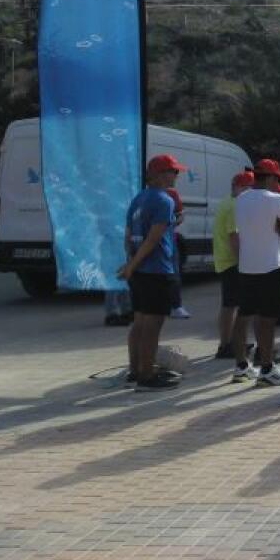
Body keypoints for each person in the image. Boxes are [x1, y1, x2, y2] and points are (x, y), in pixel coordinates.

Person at [117, 154, 185, 391]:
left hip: (139, 272)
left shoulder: (138, 199)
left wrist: (130, 265)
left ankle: (135, 370)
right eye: (172, 171)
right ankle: (147, 375)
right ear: (158, 174)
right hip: (156, 270)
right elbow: (153, 239)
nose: (176, 176)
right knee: (152, 324)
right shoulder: (164, 201)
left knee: (139, 321)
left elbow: (128, 236)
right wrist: (132, 266)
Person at [232, 158, 280, 386]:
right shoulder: (277, 199)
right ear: (269, 178)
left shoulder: (241, 199)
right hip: (271, 265)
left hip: (247, 266)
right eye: (277, 178)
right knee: (268, 319)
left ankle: (241, 366)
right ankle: (266, 368)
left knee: (243, 316)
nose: (278, 183)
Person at [212, 170, 254, 359]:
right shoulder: (235, 206)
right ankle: (227, 344)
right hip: (232, 261)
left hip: (225, 259)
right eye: (248, 188)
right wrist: (242, 263)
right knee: (232, 305)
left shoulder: (227, 202)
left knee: (230, 304)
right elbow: (234, 237)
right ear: (238, 187)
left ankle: (229, 341)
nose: (251, 192)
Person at [166, 187, 191, 319]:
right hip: (151, 241)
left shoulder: (172, 193)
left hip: (170, 241)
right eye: (174, 172)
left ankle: (176, 306)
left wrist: (172, 223)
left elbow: (181, 215)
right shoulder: (144, 192)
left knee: (174, 273)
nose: (176, 176)